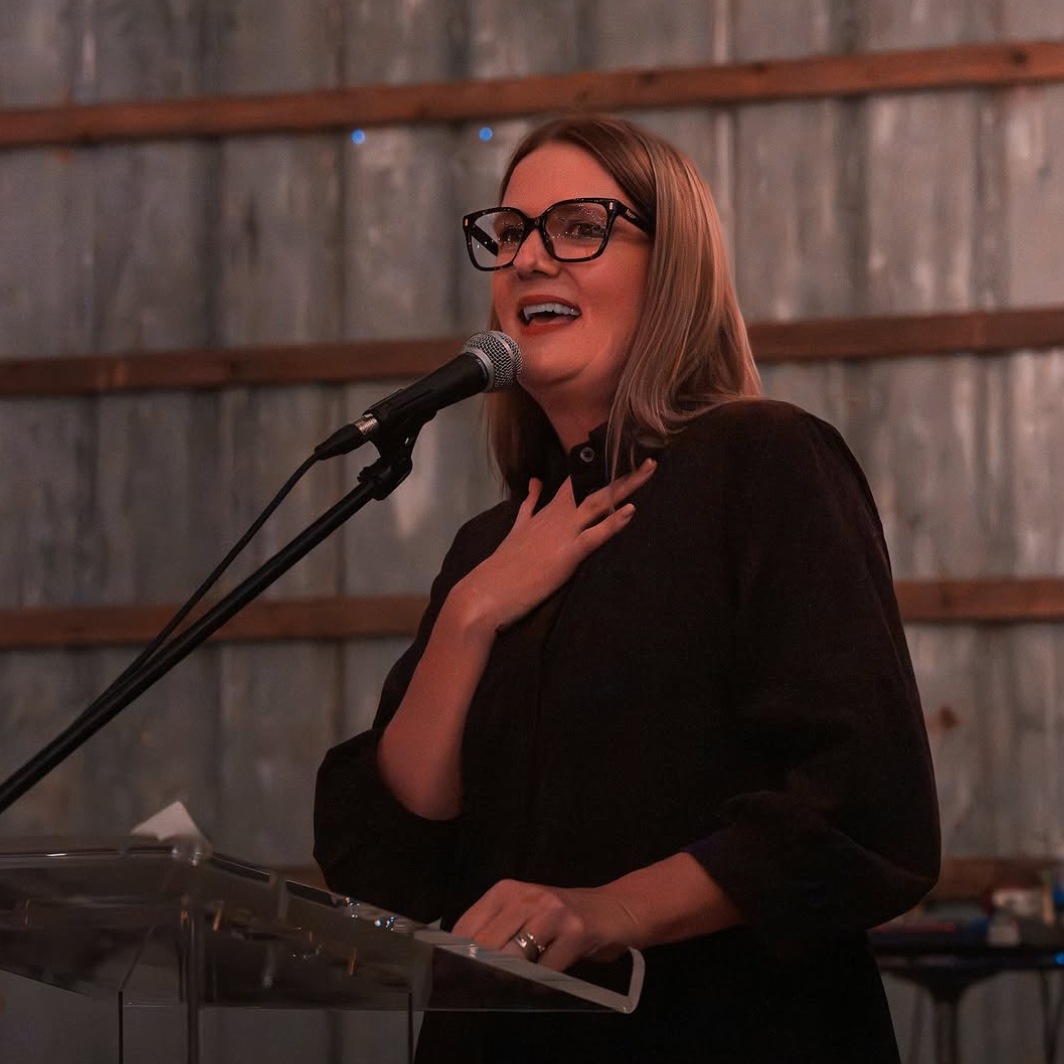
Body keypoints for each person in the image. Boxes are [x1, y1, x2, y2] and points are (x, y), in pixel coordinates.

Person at [315, 114, 940, 1063]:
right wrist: (471, 617)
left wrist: (606, 912)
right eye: (511, 233)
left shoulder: (763, 463)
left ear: (671, 269)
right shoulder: (490, 544)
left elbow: (864, 802)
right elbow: (393, 859)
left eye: (577, 227)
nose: (530, 259)